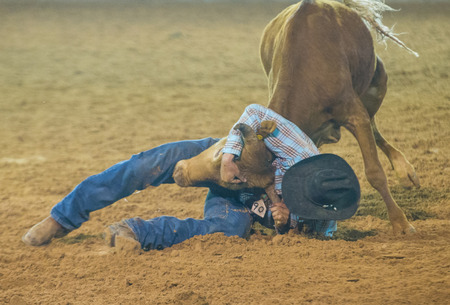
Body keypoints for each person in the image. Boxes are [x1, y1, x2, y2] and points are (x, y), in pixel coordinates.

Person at [22, 104, 359, 250]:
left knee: (226, 232)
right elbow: (254, 113)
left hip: (246, 199)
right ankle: (61, 217)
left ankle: (135, 231)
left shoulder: (320, 220)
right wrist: (230, 154)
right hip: (217, 156)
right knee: (147, 165)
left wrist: (284, 222)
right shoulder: (299, 147)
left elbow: (300, 241)